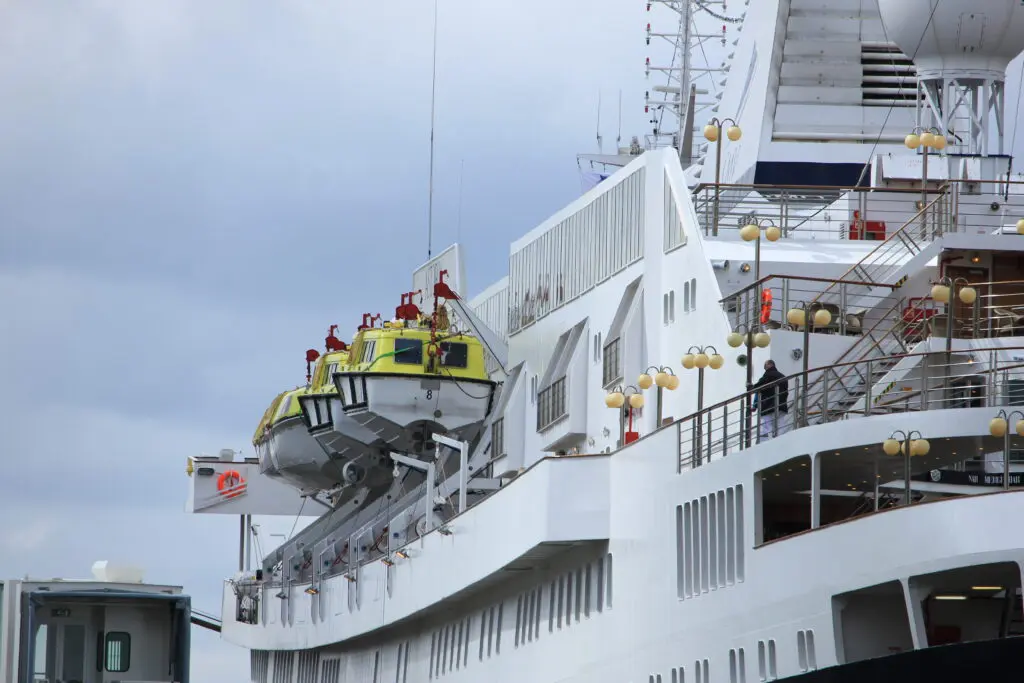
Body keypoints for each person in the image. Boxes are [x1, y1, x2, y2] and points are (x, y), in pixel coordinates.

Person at [751, 360, 789, 439]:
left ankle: (767, 442)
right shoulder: (783, 376)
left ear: (769, 365)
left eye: (765, 366)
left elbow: (758, 388)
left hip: (767, 405)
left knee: (767, 427)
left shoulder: (767, 375)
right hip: (781, 405)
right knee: (780, 425)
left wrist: (751, 388)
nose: (764, 368)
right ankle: (782, 440)